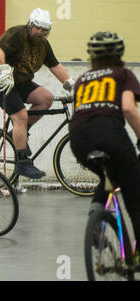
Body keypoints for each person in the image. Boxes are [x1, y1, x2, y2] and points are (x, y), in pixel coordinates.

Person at [0, 8, 75, 179]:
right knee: (20, 116)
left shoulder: (43, 45)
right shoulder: (17, 34)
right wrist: (3, 70)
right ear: (30, 25)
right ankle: (22, 163)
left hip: (20, 82)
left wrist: (72, 85)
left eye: (45, 30)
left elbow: (56, 67)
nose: (41, 32)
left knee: (46, 99)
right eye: (38, 28)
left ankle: (20, 132)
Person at [69, 31, 140, 253]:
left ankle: (95, 214)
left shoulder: (82, 79)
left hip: (78, 138)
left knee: (109, 176)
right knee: (134, 195)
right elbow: (128, 108)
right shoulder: (123, 74)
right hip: (109, 132)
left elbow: (77, 112)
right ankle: (137, 256)